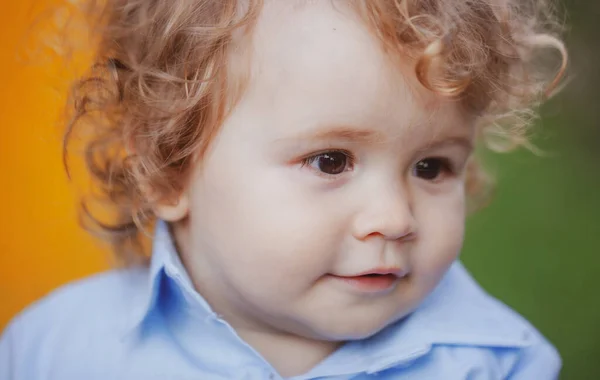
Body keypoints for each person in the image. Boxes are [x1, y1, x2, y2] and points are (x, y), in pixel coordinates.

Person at [0, 0, 568, 378]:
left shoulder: (498, 364)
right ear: (166, 168)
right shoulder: (58, 350)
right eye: (330, 160)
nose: (395, 219)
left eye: (431, 168)